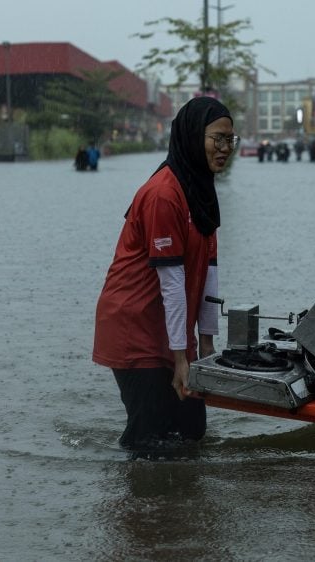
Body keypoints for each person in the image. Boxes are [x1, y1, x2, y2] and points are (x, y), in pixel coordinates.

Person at [93, 96, 236, 453]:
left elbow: (209, 274)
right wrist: (180, 359)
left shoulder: (200, 191)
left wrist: (206, 347)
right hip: (135, 326)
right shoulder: (163, 195)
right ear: (191, 136)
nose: (225, 148)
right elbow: (172, 284)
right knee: (148, 438)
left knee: (192, 431)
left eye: (230, 140)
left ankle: (176, 507)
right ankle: (142, 506)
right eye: (216, 138)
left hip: (170, 329)